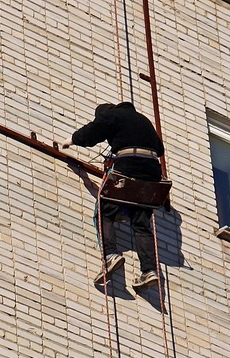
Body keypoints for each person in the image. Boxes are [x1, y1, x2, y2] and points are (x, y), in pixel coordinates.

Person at [60, 102, 164, 291]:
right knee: (141, 223)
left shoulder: (113, 115)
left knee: (104, 211)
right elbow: (160, 149)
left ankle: (110, 256)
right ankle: (149, 270)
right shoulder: (144, 121)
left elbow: (93, 131)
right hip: (152, 173)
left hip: (129, 165)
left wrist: (72, 140)